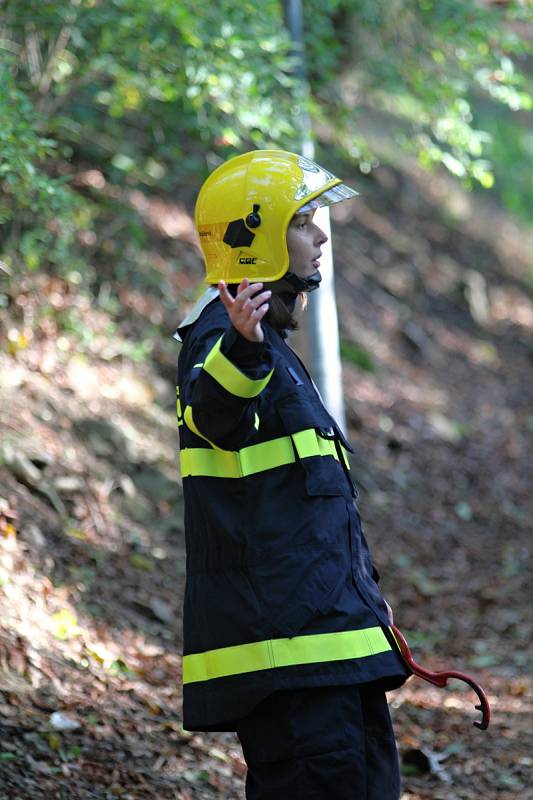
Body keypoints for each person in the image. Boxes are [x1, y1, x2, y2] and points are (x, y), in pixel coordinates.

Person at [173, 150, 410, 799]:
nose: (321, 234)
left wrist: (368, 606)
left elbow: (311, 509)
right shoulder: (221, 341)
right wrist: (243, 350)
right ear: (257, 240)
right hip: (291, 658)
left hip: (332, 648)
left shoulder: (270, 349)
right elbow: (209, 418)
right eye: (304, 219)